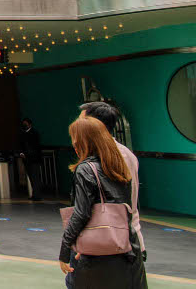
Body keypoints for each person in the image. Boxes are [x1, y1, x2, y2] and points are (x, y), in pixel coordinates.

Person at [59, 116, 147, 288]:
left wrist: (65, 248)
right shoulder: (119, 165)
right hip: (128, 249)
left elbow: (82, 213)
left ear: (84, 142)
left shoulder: (85, 169)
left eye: (75, 140)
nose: (74, 145)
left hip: (96, 257)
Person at [79, 101, 145, 259]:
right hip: (117, 241)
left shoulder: (111, 156)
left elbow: (113, 203)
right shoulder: (120, 153)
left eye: (81, 122)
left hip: (113, 244)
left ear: (94, 125)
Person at [19, 117, 44, 201]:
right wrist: (22, 153)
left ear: (30, 124)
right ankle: (35, 194)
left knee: (35, 176)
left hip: (34, 159)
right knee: (31, 177)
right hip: (27, 159)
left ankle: (37, 195)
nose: (24, 125)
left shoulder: (34, 133)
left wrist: (27, 154)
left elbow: (35, 147)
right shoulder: (22, 134)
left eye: (26, 123)